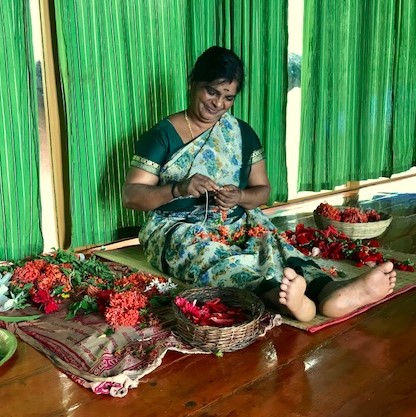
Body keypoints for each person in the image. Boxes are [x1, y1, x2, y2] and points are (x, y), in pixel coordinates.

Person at [123, 46, 397, 322]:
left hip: (236, 221)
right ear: (193, 83)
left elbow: (262, 191)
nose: (217, 104)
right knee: (212, 258)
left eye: (228, 98)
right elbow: (131, 196)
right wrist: (178, 188)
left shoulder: (241, 133)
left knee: (272, 246)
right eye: (211, 92)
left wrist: (240, 196)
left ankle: (329, 292)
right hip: (179, 229)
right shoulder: (162, 136)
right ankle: (280, 297)